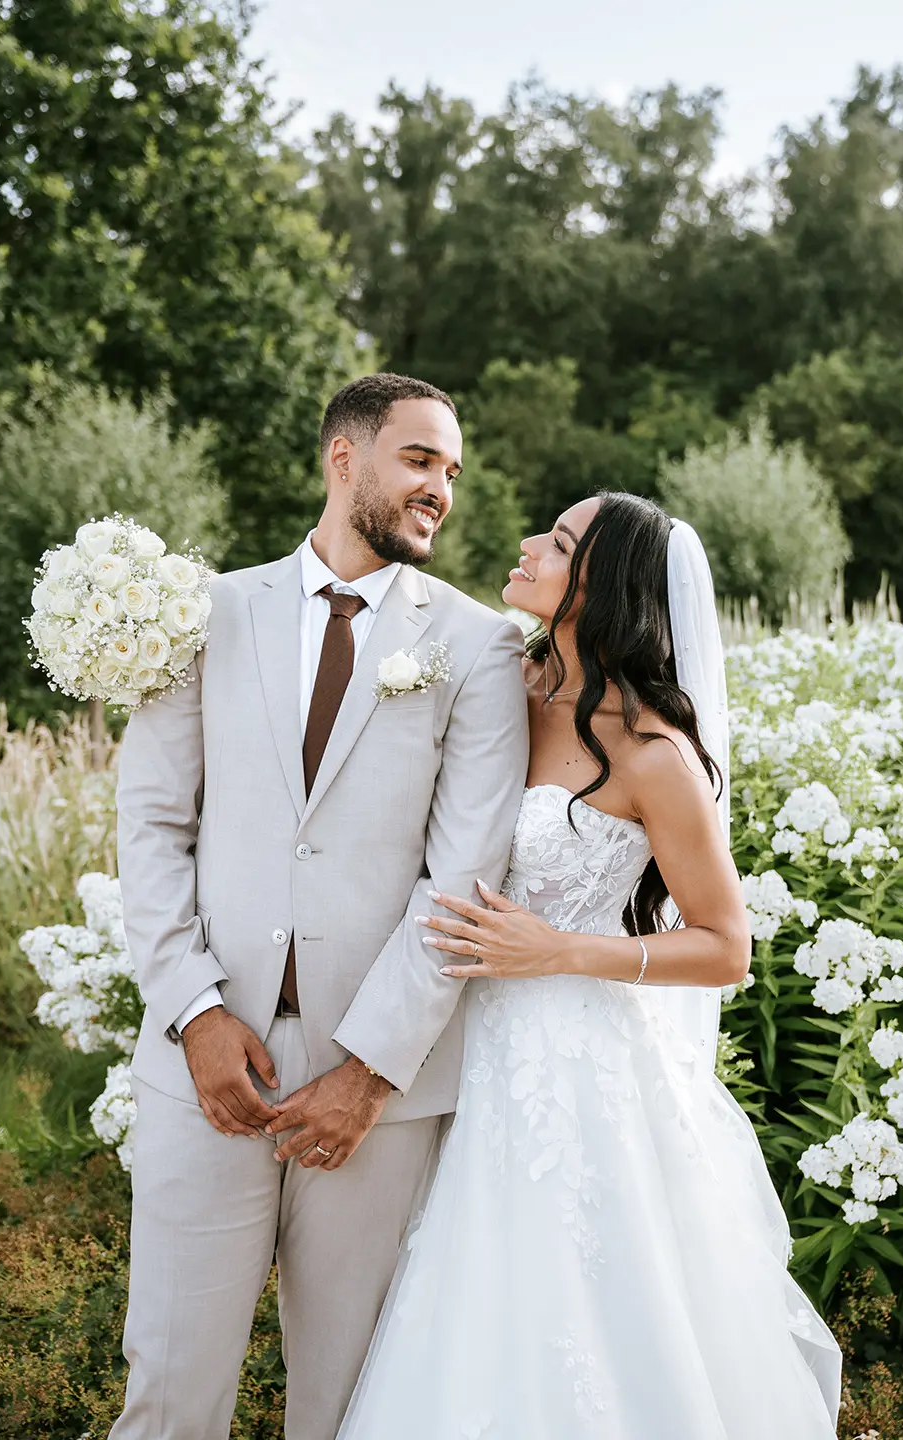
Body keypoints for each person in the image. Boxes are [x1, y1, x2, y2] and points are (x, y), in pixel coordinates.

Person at [337, 492, 842, 1440]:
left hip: (577, 1069)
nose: (530, 543)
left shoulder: (654, 751)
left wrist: (561, 948)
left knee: (576, 1306)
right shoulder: (500, 683)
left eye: (559, 542)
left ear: (600, 587)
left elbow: (725, 945)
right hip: (455, 1041)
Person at [109, 373, 529, 1440]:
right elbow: (152, 829)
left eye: (453, 472)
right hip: (201, 1066)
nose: (442, 489)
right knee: (167, 1392)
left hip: (379, 1100)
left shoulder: (479, 648)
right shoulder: (202, 613)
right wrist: (194, 1014)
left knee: (351, 1407)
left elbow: (462, 881)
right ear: (344, 457)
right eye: (421, 460)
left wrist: (371, 1070)